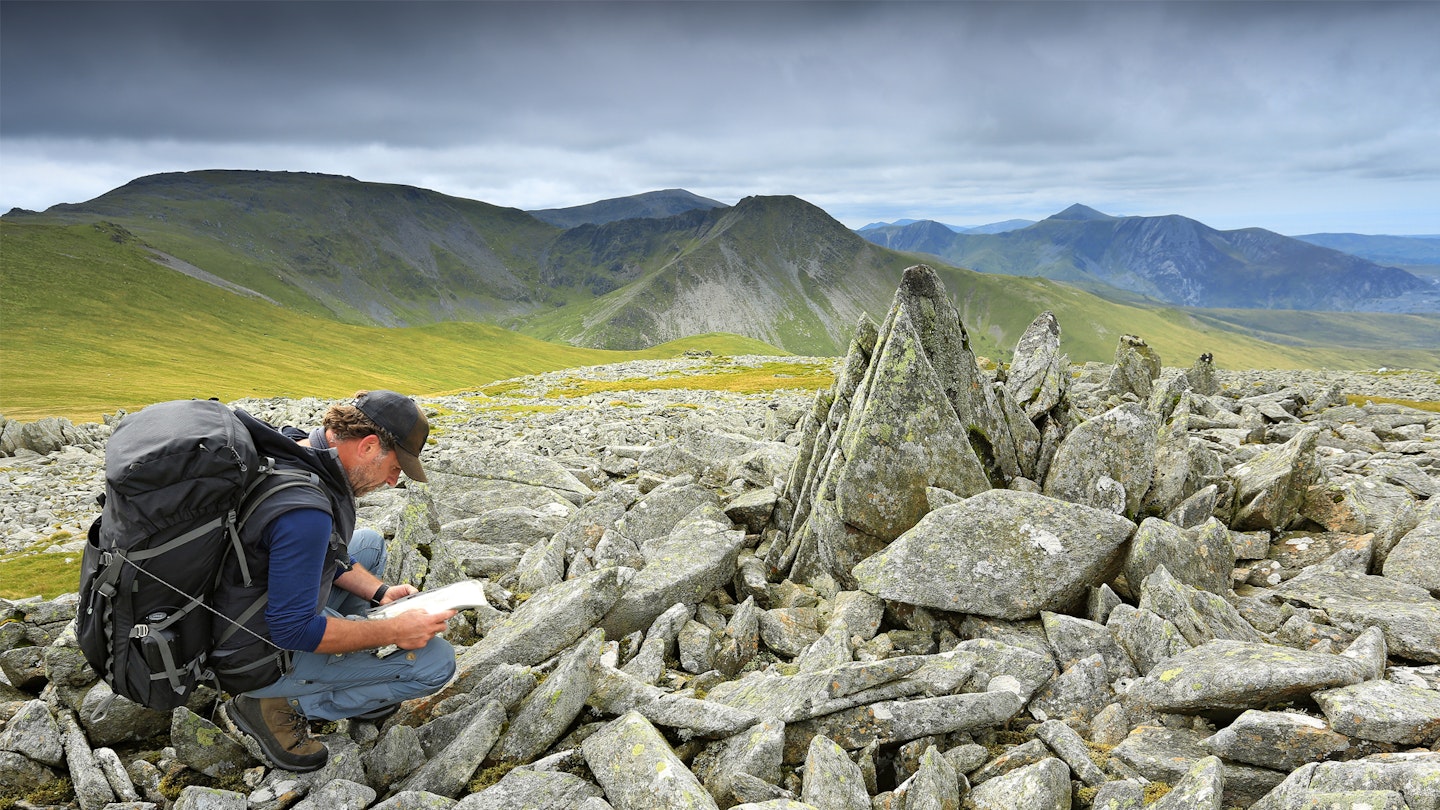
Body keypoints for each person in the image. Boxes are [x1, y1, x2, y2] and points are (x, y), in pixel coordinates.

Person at [212, 390, 457, 772]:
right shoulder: (305, 510)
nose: (394, 481)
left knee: (370, 545)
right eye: (396, 467)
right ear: (369, 445)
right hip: (252, 652)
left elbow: (326, 552)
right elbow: (293, 631)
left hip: (232, 605)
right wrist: (394, 631)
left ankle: (347, 670)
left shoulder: (296, 448)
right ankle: (275, 702)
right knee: (437, 664)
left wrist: (381, 593)